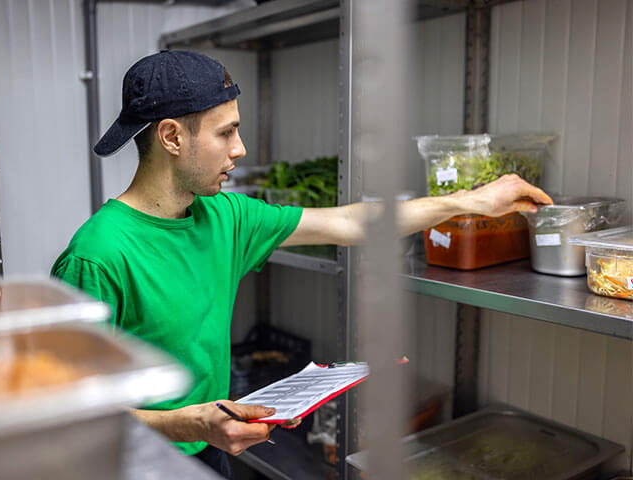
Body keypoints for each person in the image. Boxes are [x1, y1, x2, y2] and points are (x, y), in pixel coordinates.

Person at [51, 50, 551, 478]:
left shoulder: (225, 216)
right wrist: (186, 422)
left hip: (206, 454)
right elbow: (68, 414)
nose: (240, 149)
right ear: (172, 137)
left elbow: (352, 223)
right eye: (225, 133)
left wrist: (475, 200)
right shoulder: (97, 257)